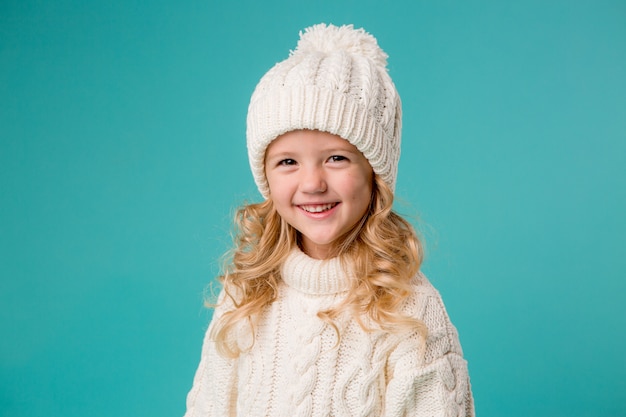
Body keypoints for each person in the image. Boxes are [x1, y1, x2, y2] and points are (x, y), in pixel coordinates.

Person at [184, 23, 474, 417]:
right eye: (287, 161)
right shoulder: (243, 297)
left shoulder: (411, 310)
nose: (312, 183)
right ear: (265, 177)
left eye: (336, 158)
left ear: (375, 172)